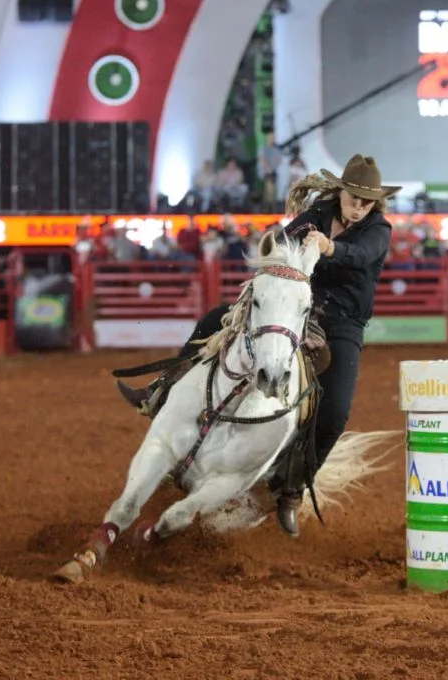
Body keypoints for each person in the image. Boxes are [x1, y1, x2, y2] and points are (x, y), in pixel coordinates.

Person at [115, 153, 397, 537]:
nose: (359, 207)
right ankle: (162, 391)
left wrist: (328, 248)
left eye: (366, 201)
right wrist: (284, 249)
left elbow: (360, 255)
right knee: (216, 318)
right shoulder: (319, 212)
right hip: (293, 305)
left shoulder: (379, 229)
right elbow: (284, 238)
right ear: (342, 192)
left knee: (335, 412)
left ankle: (292, 489)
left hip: (343, 323)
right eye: (353, 198)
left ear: (375, 203)